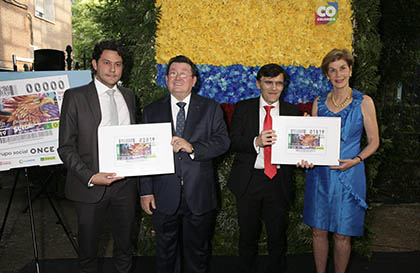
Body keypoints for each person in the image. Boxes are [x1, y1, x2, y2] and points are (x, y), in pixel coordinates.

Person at [140, 55, 230, 273]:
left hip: (199, 195)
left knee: (197, 254)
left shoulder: (210, 108)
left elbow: (222, 142)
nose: (177, 78)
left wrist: (194, 148)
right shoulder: (151, 111)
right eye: (173, 73)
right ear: (166, 79)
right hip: (163, 195)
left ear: (194, 80)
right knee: (165, 254)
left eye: (183, 73)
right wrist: (145, 191)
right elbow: (143, 154)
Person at [58, 40, 139, 273]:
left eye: (118, 64)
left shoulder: (129, 96)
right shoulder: (75, 96)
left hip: (125, 186)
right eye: (106, 63)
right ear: (94, 64)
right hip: (90, 186)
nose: (112, 69)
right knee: (88, 253)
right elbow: (65, 147)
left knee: (125, 248)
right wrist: (92, 176)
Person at [302, 49, 380, 273]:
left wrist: (355, 161)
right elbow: (312, 142)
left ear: (351, 70)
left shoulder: (364, 102)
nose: (338, 74)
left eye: (342, 68)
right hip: (320, 175)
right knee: (318, 230)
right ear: (327, 75)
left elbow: (374, 142)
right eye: (332, 70)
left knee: (342, 234)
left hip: (349, 174)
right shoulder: (319, 102)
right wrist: (304, 146)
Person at [228, 64, 301, 273]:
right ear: (259, 83)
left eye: (278, 83)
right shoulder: (243, 108)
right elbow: (232, 141)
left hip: (278, 181)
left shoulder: (292, 112)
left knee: (277, 238)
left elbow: (298, 149)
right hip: (249, 180)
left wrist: (304, 155)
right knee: (247, 237)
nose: (273, 88)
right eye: (268, 82)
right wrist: (256, 142)